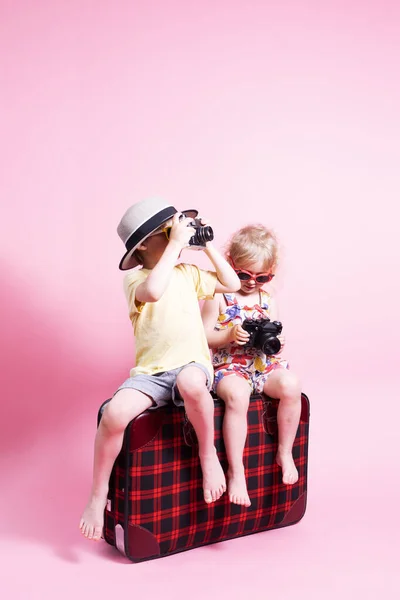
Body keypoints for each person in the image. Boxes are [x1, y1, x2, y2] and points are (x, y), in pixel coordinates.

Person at [79, 197, 241, 541]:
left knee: (192, 384)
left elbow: (232, 283)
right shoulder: (136, 279)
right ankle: (97, 495)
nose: (176, 235)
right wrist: (176, 245)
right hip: (150, 373)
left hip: (191, 364)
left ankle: (207, 455)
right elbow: (153, 291)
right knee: (113, 415)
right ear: (144, 245)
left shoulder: (189, 273)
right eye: (168, 231)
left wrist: (207, 246)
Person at [201, 224, 302, 508]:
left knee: (292, 386)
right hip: (229, 365)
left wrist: (276, 343)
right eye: (243, 274)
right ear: (230, 264)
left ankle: (284, 451)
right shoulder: (218, 295)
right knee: (238, 395)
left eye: (262, 277)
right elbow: (203, 336)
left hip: (261, 365)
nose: (250, 283)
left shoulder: (267, 299)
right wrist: (228, 335)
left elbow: (277, 335)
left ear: (272, 272)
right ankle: (236, 470)